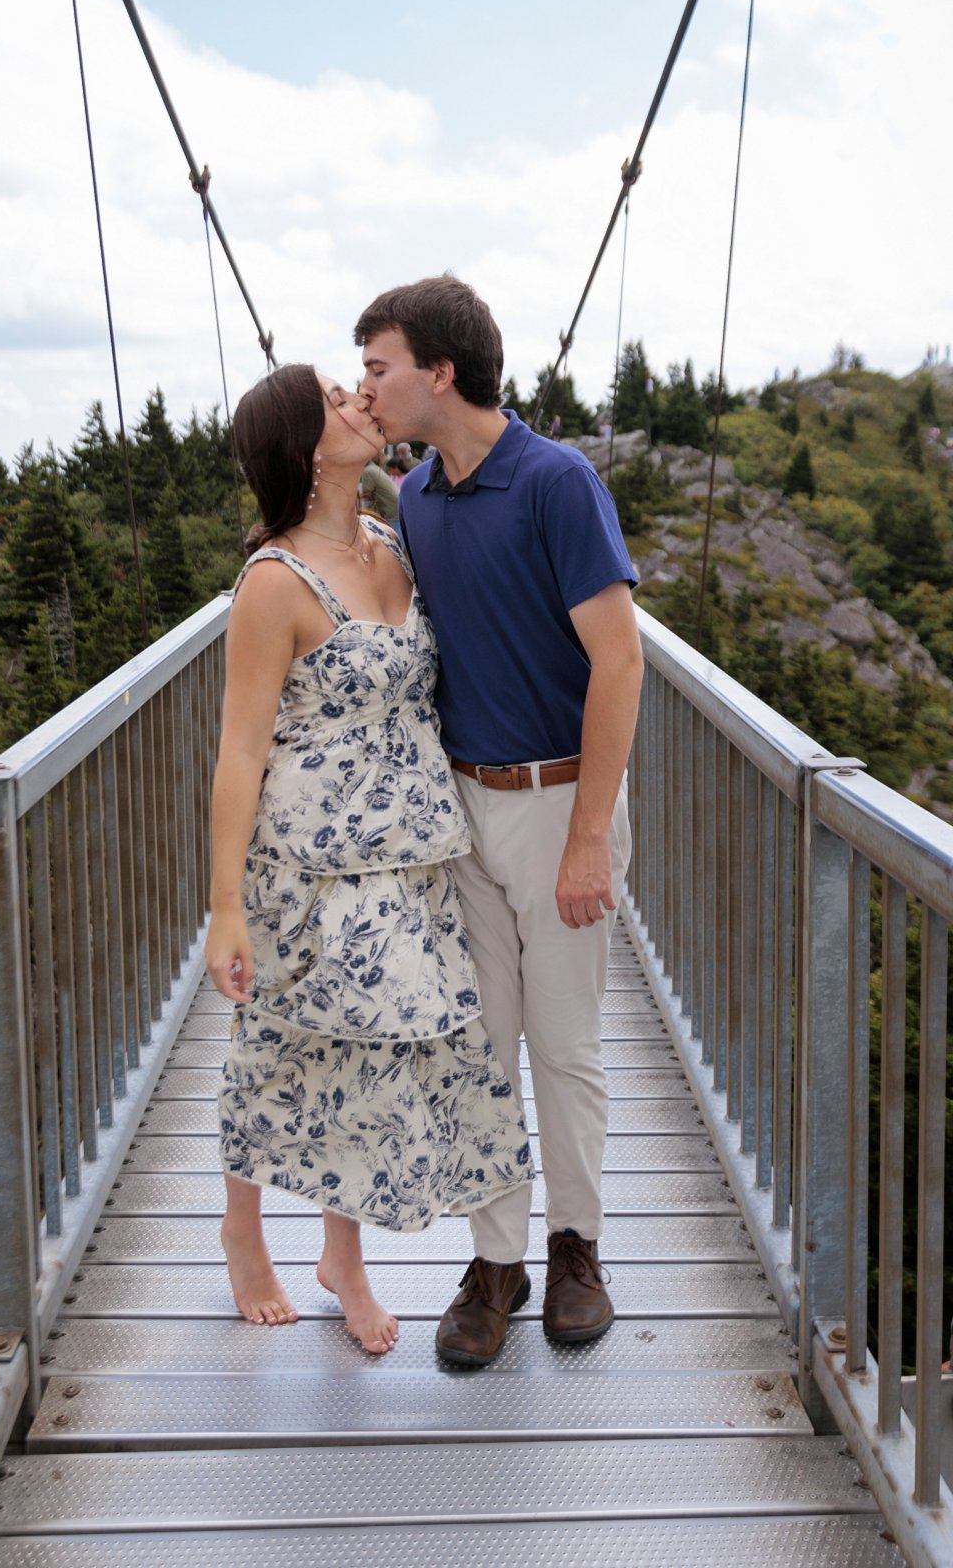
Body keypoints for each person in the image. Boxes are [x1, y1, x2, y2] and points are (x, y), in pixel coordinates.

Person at [205, 362, 532, 1356]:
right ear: (307, 449)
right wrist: (225, 906)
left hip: (411, 857)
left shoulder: (393, 544)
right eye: (338, 401)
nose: (360, 401)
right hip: (305, 864)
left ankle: (341, 1257)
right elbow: (240, 753)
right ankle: (244, 1230)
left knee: (364, 1055)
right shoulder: (272, 583)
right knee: (278, 1049)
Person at [356, 274, 643, 1368]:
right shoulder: (417, 500)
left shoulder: (557, 483)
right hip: (461, 809)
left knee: (563, 1048)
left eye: (379, 366)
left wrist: (586, 838)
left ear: (440, 370)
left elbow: (620, 660)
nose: (366, 385)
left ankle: (577, 1251)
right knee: (479, 1051)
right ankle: (496, 1263)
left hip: (564, 799)